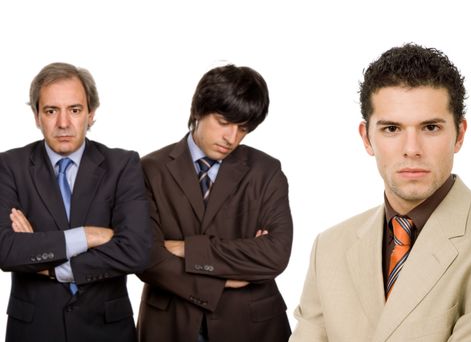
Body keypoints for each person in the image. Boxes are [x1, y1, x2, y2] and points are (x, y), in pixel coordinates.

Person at [290, 44, 471, 341]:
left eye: (430, 127)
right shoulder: (329, 248)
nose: (411, 149)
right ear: (367, 138)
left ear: (459, 134)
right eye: (391, 129)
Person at [136, 64, 293, 342]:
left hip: (250, 325)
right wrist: (221, 281)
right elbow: (146, 258)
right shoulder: (149, 169)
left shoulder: (266, 171)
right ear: (198, 110)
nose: (231, 138)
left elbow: (275, 255)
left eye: (243, 129)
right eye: (223, 122)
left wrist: (188, 249)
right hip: (171, 324)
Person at [0, 62, 151, 342]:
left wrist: (49, 264)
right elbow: (6, 250)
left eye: (75, 110)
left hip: (107, 329)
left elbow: (137, 250)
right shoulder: (9, 166)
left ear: (91, 114)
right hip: (35, 330)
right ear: (36, 116)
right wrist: (88, 236)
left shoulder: (122, 165)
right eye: (51, 111)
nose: (63, 123)